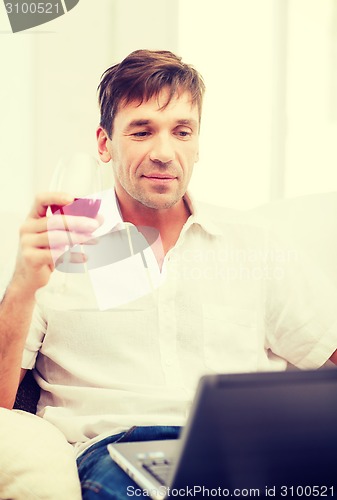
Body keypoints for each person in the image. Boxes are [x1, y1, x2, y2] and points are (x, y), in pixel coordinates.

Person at [0, 49, 337, 499]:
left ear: (197, 143)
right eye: (141, 131)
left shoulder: (253, 243)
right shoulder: (57, 239)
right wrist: (23, 285)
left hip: (245, 456)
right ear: (104, 144)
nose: (164, 153)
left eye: (182, 131)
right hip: (116, 454)